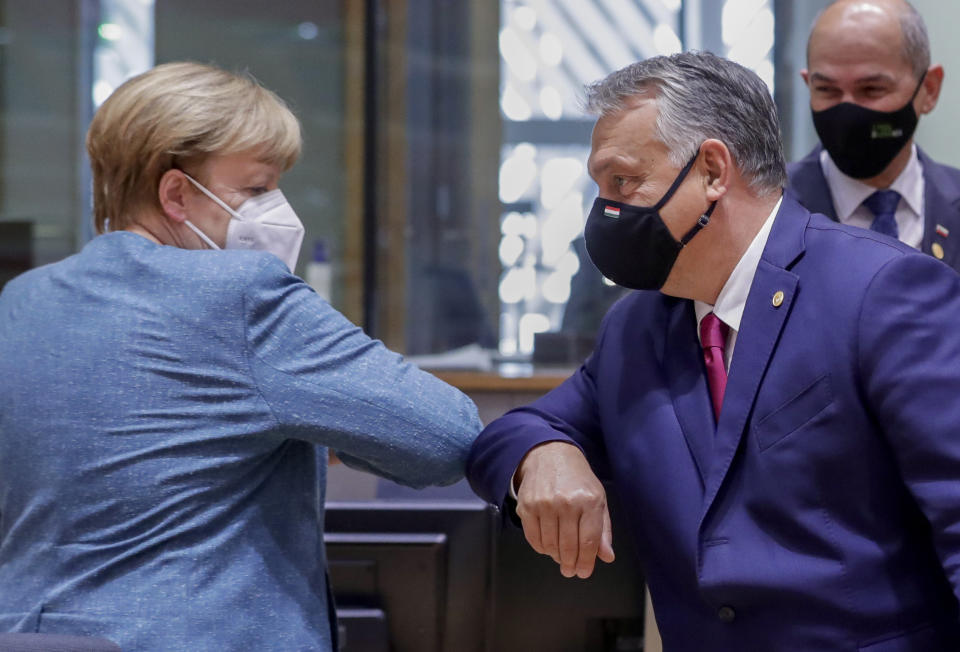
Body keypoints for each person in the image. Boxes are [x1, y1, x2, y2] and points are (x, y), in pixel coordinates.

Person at [467, 51, 960, 651]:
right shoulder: (636, 328)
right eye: (599, 189)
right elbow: (511, 432)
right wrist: (542, 452)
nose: (605, 212)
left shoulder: (881, 290)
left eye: (623, 181)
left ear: (711, 170)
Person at [0, 62, 481, 651]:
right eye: (256, 189)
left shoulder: (23, 300)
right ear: (176, 193)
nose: (275, 210)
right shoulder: (241, 294)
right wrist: (321, 425)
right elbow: (444, 436)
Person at [787, 0, 960, 270]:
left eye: (871, 89)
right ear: (808, 85)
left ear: (929, 89)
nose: (847, 111)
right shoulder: (766, 211)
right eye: (827, 90)